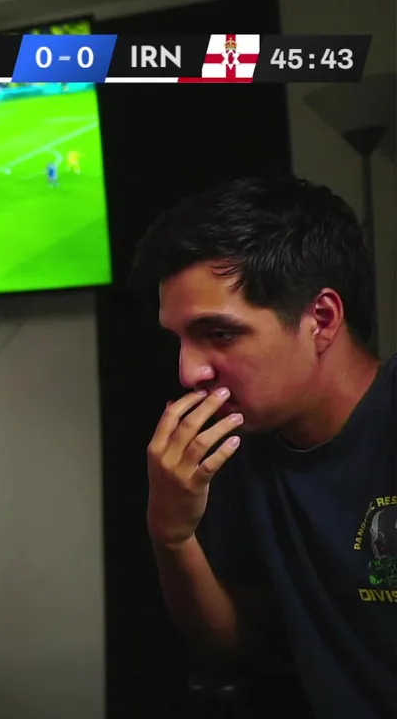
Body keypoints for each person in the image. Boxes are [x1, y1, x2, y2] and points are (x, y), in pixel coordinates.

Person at [131, 176, 396, 718]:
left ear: (321, 320)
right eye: (179, 340)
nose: (189, 371)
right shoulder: (240, 443)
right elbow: (233, 643)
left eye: (219, 334)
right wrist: (172, 535)